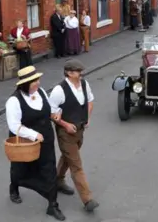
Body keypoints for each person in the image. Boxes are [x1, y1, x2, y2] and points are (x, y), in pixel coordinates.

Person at [5, 66, 65, 221]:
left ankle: (52, 204)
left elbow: (50, 108)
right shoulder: (13, 101)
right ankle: (14, 186)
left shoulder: (41, 92)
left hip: (45, 139)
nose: (38, 83)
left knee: (49, 169)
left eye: (38, 80)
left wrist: (56, 114)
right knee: (20, 170)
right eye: (34, 81)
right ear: (25, 84)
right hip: (26, 143)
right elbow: (14, 125)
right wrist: (33, 134)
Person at [48, 59, 99, 212]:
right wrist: (65, 125)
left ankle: (57, 181)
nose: (81, 74)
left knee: (68, 156)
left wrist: (87, 118)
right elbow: (51, 112)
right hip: (66, 133)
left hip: (80, 129)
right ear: (69, 73)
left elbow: (90, 101)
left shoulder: (84, 84)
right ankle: (87, 199)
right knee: (76, 166)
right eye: (78, 71)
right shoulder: (59, 90)